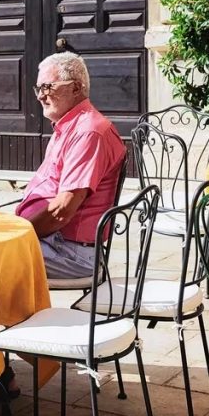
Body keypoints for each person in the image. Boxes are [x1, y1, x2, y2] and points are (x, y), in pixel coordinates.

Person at [15, 52, 126, 279]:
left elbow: (62, 211)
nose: (41, 96)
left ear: (76, 88)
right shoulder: (68, 126)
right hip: (51, 241)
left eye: (47, 87)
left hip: (70, 252)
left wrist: (15, 236)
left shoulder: (88, 132)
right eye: (38, 89)